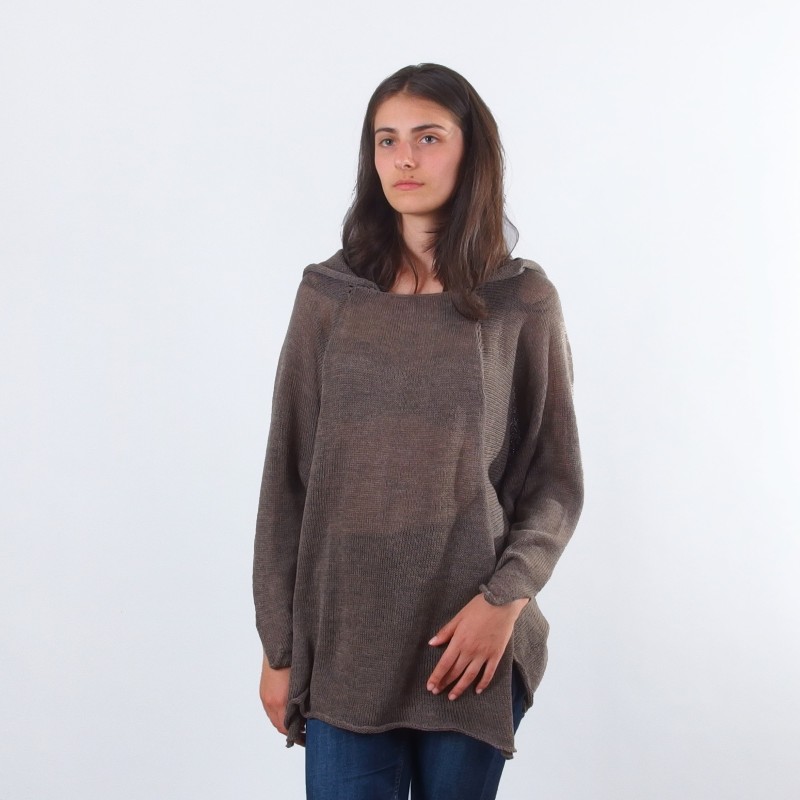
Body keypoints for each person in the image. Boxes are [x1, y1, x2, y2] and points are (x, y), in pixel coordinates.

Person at [253, 63, 584, 800]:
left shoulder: (520, 300)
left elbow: (555, 481)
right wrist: (278, 645)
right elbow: (287, 478)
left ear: (471, 152)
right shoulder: (330, 296)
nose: (404, 158)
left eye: (428, 137)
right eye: (387, 140)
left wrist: (504, 602)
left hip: (467, 640)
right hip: (346, 639)